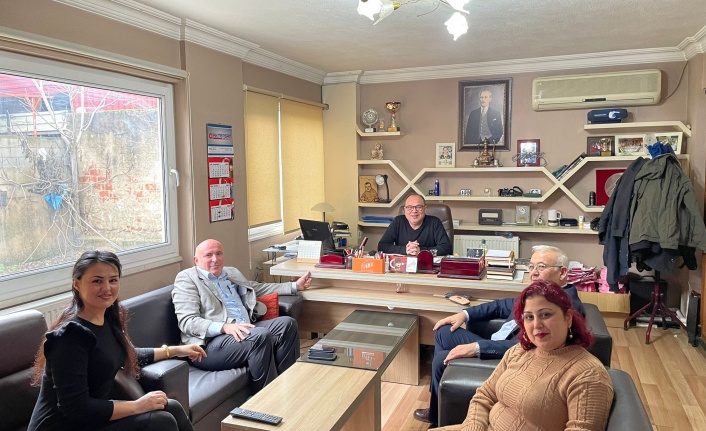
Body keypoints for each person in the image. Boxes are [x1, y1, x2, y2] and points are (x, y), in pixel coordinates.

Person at [29, 250, 205, 431]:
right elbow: (76, 409)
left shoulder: (107, 320)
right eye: (97, 281)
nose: (107, 288)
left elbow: (124, 354)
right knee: (161, 421)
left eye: (113, 280)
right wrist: (139, 405)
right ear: (77, 284)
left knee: (170, 406)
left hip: (91, 420)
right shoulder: (70, 337)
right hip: (65, 425)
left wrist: (176, 350)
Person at [413, 245, 585, 426]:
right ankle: (438, 405)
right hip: (498, 342)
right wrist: (464, 314)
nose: (533, 273)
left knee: (441, 359)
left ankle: (439, 418)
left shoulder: (565, 307)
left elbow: (533, 346)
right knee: (444, 331)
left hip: (511, 358)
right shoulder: (541, 293)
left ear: (562, 272)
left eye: (541, 267)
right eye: (531, 266)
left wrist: (478, 347)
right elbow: (500, 306)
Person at [435, 280, 613, 431]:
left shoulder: (588, 374)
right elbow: (484, 395)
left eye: (545, 314)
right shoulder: (520, 350)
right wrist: (473, 426)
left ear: (568, 318)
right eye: (529, 317)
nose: (536, 325)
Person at [172, 239, 312, 394]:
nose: (215, 259)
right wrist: (225, 327)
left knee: (287, 324)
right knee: (259, 336)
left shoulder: (231, 273)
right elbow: (187, 321)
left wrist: (294, 286)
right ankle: (268, 397)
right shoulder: (187, 279)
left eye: (219, 253)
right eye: (208, 255)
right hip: (209, 345)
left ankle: (289, 387)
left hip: (245, 328)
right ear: (196, 260)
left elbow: (256, 288)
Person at [378, 194, 452, 256]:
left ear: (425, 209)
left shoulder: (434, 222)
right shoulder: (398, 222)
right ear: (405, 209)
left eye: (419, 207)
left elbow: (446, 248)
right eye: (409, 207)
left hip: (427, 265)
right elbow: (382, 246)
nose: (414, 211)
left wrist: (421, 251)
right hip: (403, 265)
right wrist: (405, 250)